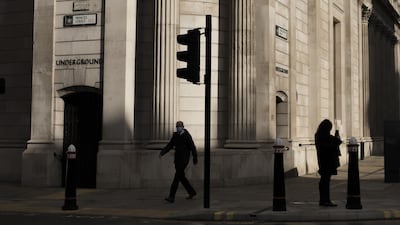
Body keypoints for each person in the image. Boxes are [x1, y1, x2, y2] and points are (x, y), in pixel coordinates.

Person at [159, 121, 198, 203]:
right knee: (181, 177)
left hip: (184, 160)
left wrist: (195, 157)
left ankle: (171, 196)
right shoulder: (175, 135)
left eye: (179, 126)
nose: (178, 128)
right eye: (177, 126)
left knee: (176, 177)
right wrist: (163, 152)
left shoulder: (187, 136)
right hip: (177, 160)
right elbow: (170, 145)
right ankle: (192, 192)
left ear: (183, 127)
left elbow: (192, 147)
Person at [315, 119, 342, 207]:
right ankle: (325, 200)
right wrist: (337, 131)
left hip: (322, 161)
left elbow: (336, 141)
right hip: (327, 161)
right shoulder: (325, 137)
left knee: (324, 180)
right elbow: (338, 141)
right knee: (325, 181)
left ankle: (324, 200)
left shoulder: (319, 135)